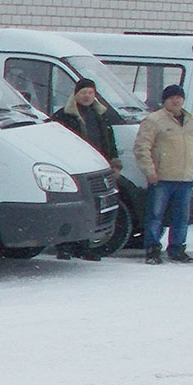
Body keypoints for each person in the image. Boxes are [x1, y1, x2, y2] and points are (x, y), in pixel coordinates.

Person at [131, 84, 193, 264]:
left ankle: (177, 249)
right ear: (165, 101)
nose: (176, 101)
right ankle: (152, 249)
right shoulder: (154, 121)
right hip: (162, 178)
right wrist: (149, 171)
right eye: (171, 98)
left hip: (185, 178)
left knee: (182, 217)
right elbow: (142, 147)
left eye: (179, 97)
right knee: (155, 215)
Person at [49, 78, 121, 260]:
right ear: (76, 94)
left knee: (91, 209)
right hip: (71, 168)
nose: (87, 96)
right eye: (84, 92)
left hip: (96, 168)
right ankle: (63, 246)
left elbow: (109, 142)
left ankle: (83, 246)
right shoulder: (63, 116)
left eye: (90, 93)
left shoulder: (100, 115)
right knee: (69, 208)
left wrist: (113, 162)